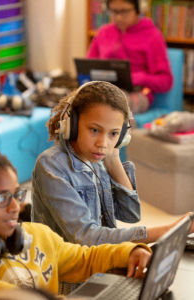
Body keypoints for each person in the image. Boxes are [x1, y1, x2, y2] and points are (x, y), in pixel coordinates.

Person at [32, 81, 194, 247]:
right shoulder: (51, 165)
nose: (103, 143)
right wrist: (169, 229)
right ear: (72, 125)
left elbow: (130, 213)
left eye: (114, 133)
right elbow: (87, 237)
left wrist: (113, 159)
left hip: (96, 259)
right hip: (63, 268)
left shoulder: (94, 159)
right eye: (94, 130)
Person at [0, 148, 152, 296]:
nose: (15, 207)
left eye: (16, 195)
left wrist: (129, 253)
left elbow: (85, 259)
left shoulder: (39, 236)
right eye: (2, 198)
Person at [87, 0, 173, 114]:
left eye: (124, 11)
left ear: (139, 9)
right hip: (104, 89)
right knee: (80, 100)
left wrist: (139, 78)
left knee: (111, 105)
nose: (118, 17)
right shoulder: (103, 32)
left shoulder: (153, 36)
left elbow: (166, 81)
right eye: (113, 11)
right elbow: (88, 67)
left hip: (137, 93)